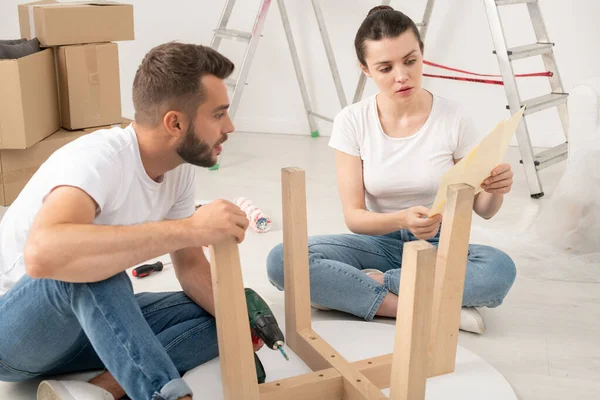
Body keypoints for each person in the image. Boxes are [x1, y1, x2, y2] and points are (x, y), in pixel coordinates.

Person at [0, 42, 261, 400]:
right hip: (16, 336)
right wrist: (193, 227)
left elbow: (190, 268)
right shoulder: (98, 159)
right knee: (91, 265)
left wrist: (240, 323)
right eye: (218, 114)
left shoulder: (177, 170)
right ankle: (166, 395)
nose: (229, 126)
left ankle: (96, 392)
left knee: (234, 310)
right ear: (175, 122)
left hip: (85, 331)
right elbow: (44, 256)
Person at [267, 6, 517, 334]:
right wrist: (401, 219)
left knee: (499, 270)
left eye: (410, 61)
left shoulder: (454, 118)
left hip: (440, 245)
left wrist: (495, 190)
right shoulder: (351, 121)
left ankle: (367, 288)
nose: (402, 76)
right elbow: (355, 216)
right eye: (385, 67)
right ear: (365, 69)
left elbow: (482, 209)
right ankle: (425, 309)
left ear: (422, 54)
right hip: (378, 242)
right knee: (282, 259)